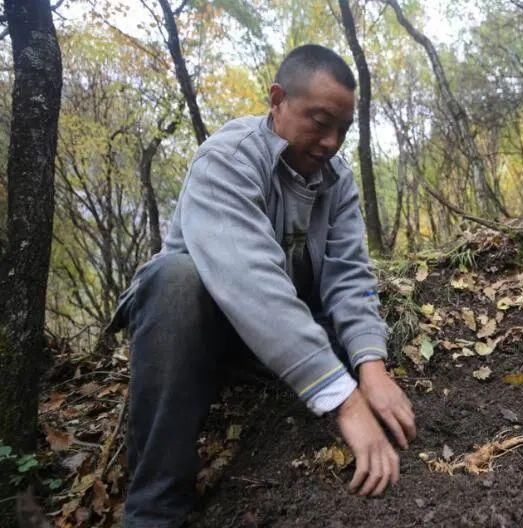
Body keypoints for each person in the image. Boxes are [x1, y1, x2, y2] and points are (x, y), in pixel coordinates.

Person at [111, 44, 417, 528]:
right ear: (277, 99)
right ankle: (155, 506)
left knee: (352, 337)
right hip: (205, 335)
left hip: (283, 335)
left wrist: (371, 367)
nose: (332, 142)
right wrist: (346, 399)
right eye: (320, 121)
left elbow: (348, 273)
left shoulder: (336, 181)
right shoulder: (227, 159)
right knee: (173, 280)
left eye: (343, 129)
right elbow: (250, 283)